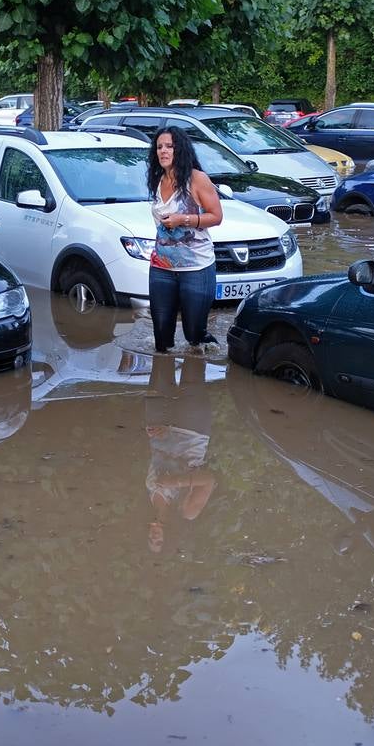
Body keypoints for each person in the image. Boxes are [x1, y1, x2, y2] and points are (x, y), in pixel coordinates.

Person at [146, 127, 224, 353]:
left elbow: (216, 217)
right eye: (159, 147)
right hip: (161, 266)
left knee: (194, 336)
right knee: (161, 336)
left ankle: (198, 374)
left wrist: (183, 219)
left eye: (169, 146)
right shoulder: (158, 179)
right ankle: (162, 384)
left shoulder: (197, 179)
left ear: (181, 149)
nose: (163, 151)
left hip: (196, 267)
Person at [144, 355, 215, 553]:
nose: (153, 538)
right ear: (171, 540)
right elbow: (208, 480)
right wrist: (175, 482)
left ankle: (168, 323)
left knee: (161, 353)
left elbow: (157, 457)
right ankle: (194, 324)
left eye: (150, 541)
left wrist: (152, 434)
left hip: (158, 424)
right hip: (192, 430)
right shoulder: (187, 512)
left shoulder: (147, 501)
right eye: (158, 543)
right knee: (194, 355)